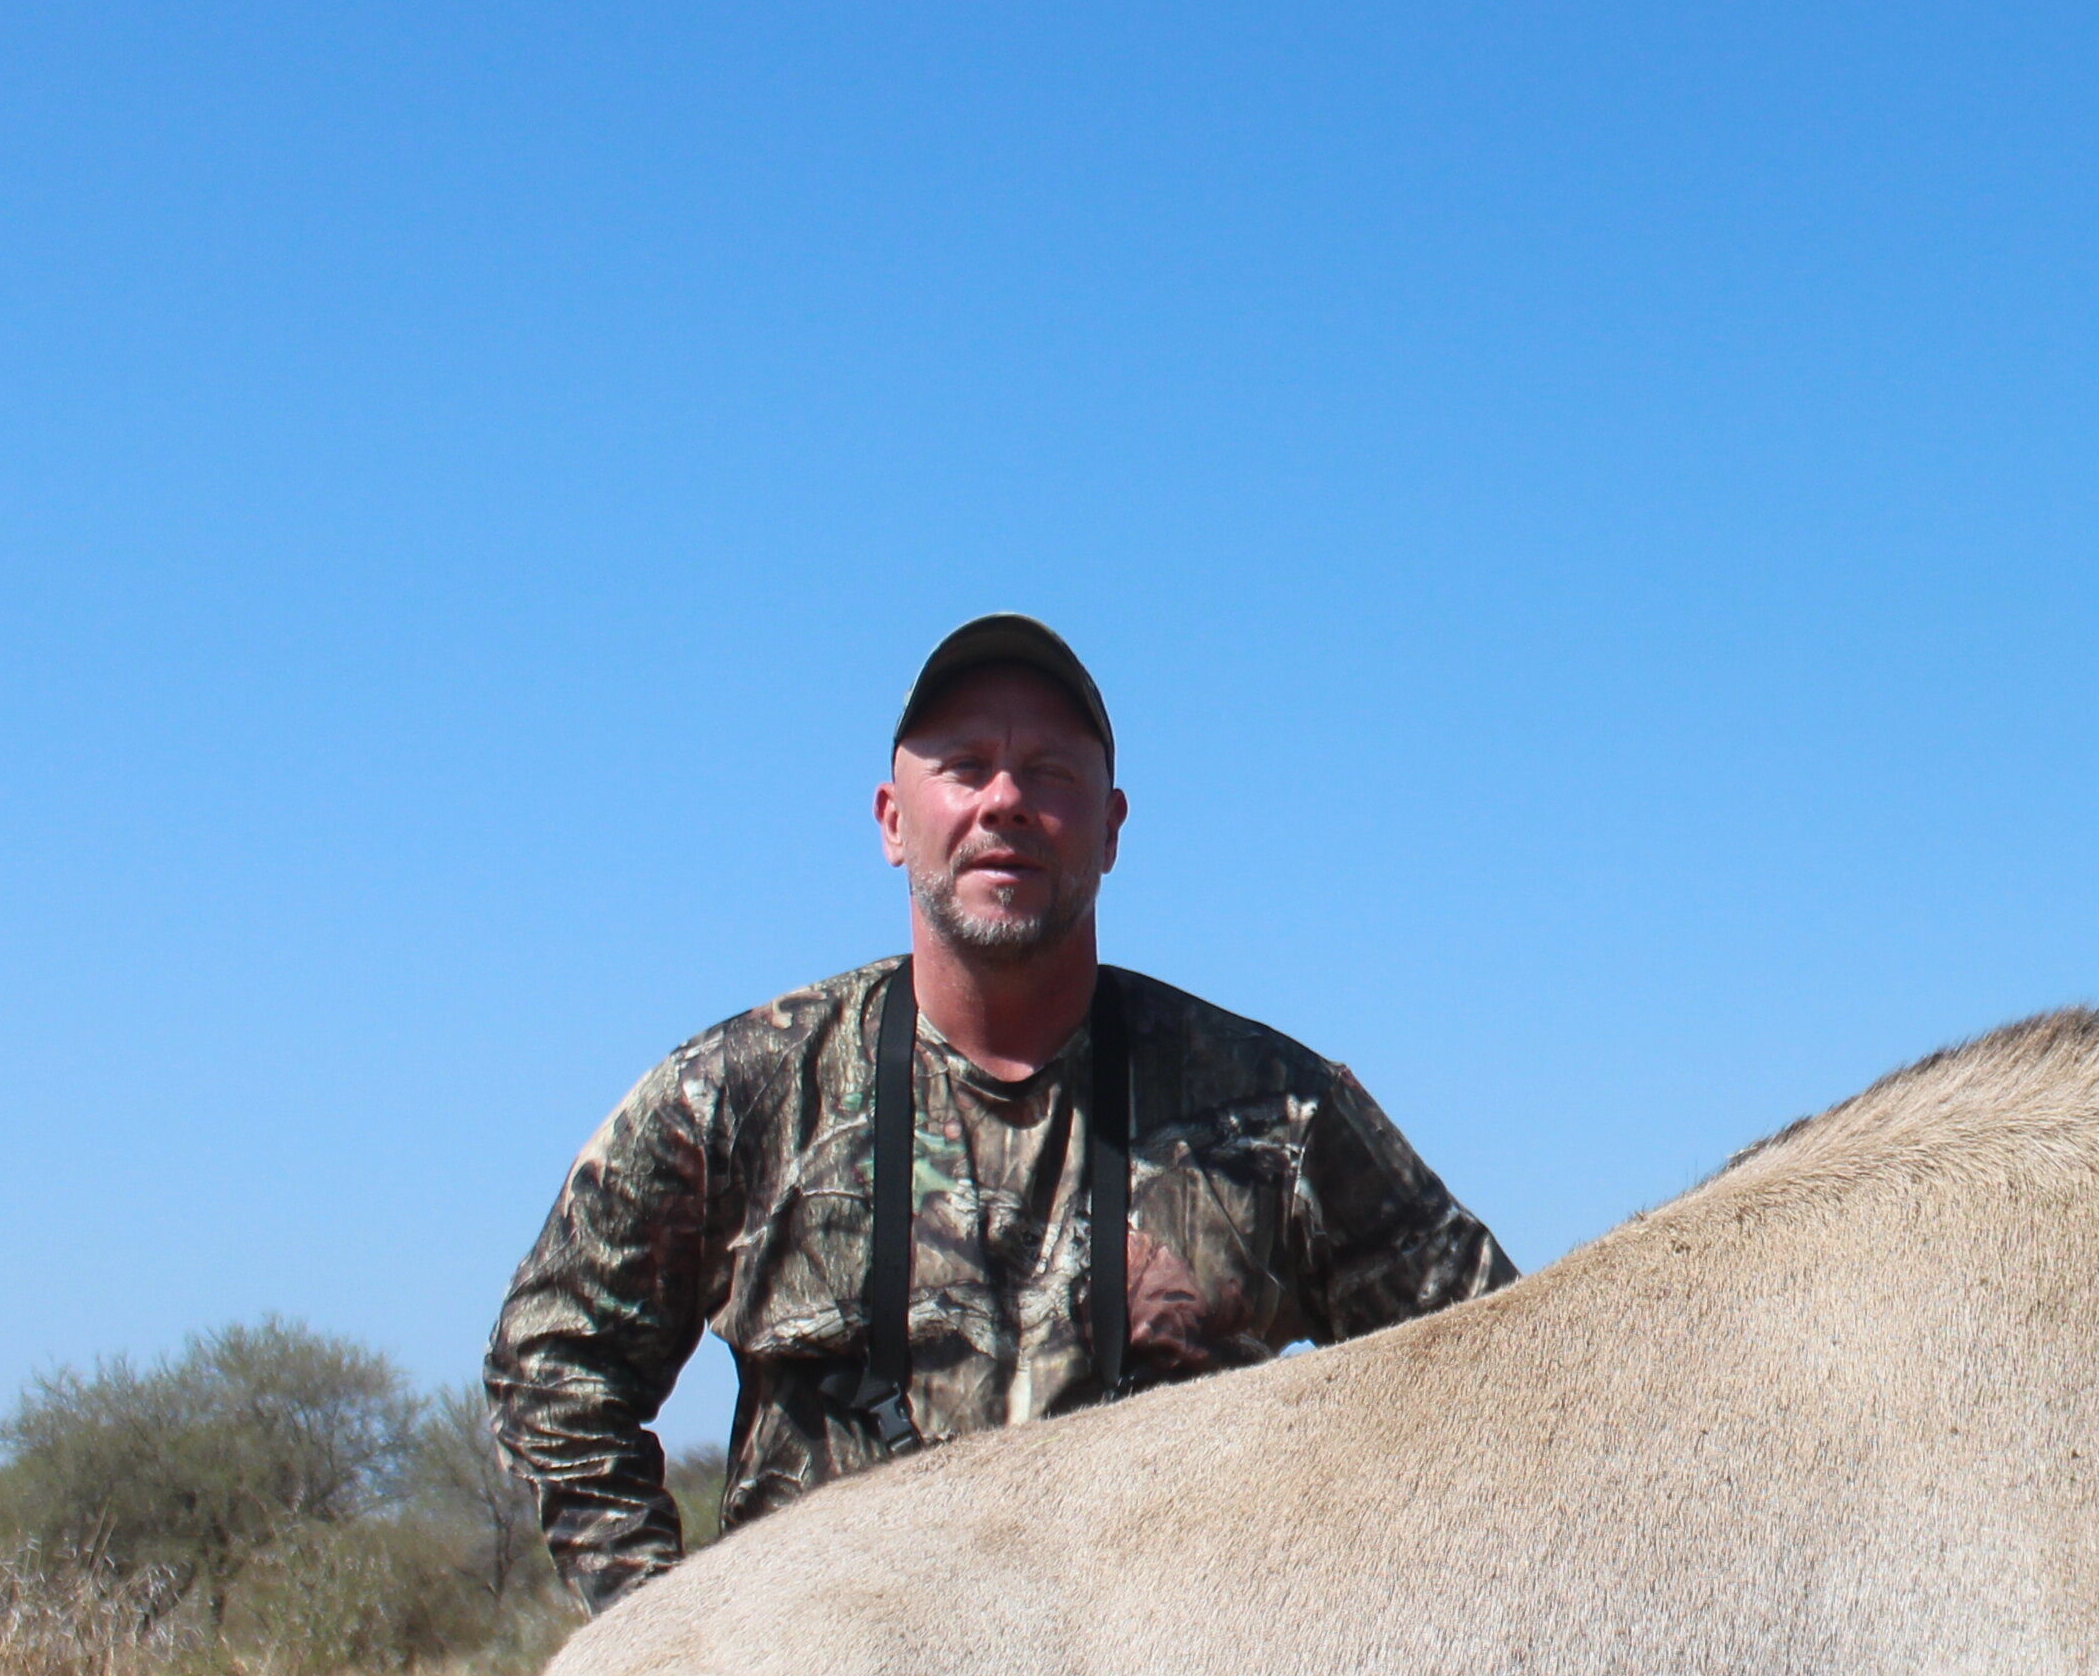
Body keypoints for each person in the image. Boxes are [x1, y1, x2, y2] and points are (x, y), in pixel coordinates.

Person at [487, 613, 1514, 1610]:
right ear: (894, 820)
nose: (1007, 801)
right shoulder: (740, 1093)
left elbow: (1497, 1368)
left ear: (1111, 830)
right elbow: (552, 1358)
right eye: (966, 765)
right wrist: (664, 1639)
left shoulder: (1278, 1113)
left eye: (1053, 774)